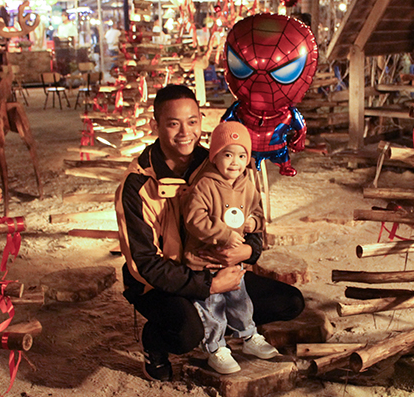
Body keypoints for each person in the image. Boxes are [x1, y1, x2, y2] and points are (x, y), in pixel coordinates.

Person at [115, 84, 304, 381]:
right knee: (186, 331)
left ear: (201, 120)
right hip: (161, 283)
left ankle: (223, 326)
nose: (184, 132)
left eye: (192, 121)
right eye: (173, 123)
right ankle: (156, 341)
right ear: (156, 125)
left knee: (290, 302)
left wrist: (249, 250)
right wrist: (207, 286)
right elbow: (145, 264)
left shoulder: (222, 161)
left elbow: (251, 216)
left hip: (219, 266)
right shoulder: (138, 183)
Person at [181, 121, 280, 374]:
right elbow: (194, 218)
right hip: (207, 259)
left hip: (233, 261)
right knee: (212, 305)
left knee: (239, 299)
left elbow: (258, 213)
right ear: (215, 156)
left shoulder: (248, 183)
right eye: (227, 155)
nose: (235, 162)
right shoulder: (205, 184)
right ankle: (215, 347)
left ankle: (248, 336)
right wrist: (224, 234)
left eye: (241, 155)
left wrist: (252, 222)